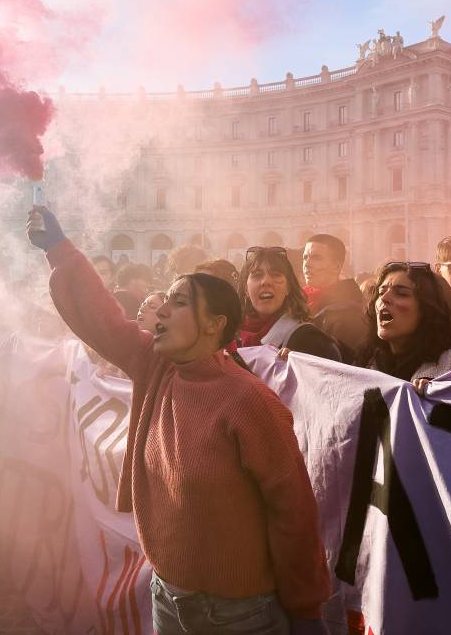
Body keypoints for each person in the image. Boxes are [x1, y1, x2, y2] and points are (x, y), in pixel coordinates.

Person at [26, 207, 331, 635]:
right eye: (164, 300)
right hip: (165, 596)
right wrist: (60, 251)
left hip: (237, 614)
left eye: (180, 302)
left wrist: (305, 611)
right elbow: (101, 319)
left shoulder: (250, 403)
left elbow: (294, 514)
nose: (161, 311)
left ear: (214, 324)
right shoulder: (156, 366)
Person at [358, 262, 451, 393]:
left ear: (427, 310)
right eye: (381, 292)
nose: (384, 298)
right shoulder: (365, 363)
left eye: (401, 293)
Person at [239, 246, 341, 361]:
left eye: (275, 275)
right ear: (246, 289)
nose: (266, 281)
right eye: (257, 275)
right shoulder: (230, 338)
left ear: (288, 287)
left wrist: (299, 366)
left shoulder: (309, 341)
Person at [301, 234, 366, 361]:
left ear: (337, 266)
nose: (307, 264)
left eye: (316, 258)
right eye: (305, 257)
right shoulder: (296, 301)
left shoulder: (349, 312)